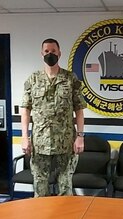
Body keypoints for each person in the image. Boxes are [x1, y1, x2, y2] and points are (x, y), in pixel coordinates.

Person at [20, 38, 87, 197]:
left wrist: (80, 137)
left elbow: (79, 110)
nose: (50, 54)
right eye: (47, 51)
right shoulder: (33, 80)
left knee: (65, 187)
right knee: (40, 187)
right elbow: (25, 110)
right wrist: (24, 138)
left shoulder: (71, 79)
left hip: (65, 143)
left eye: (53, 51)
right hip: (40, 143)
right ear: (41, 54)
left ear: (60, 53)